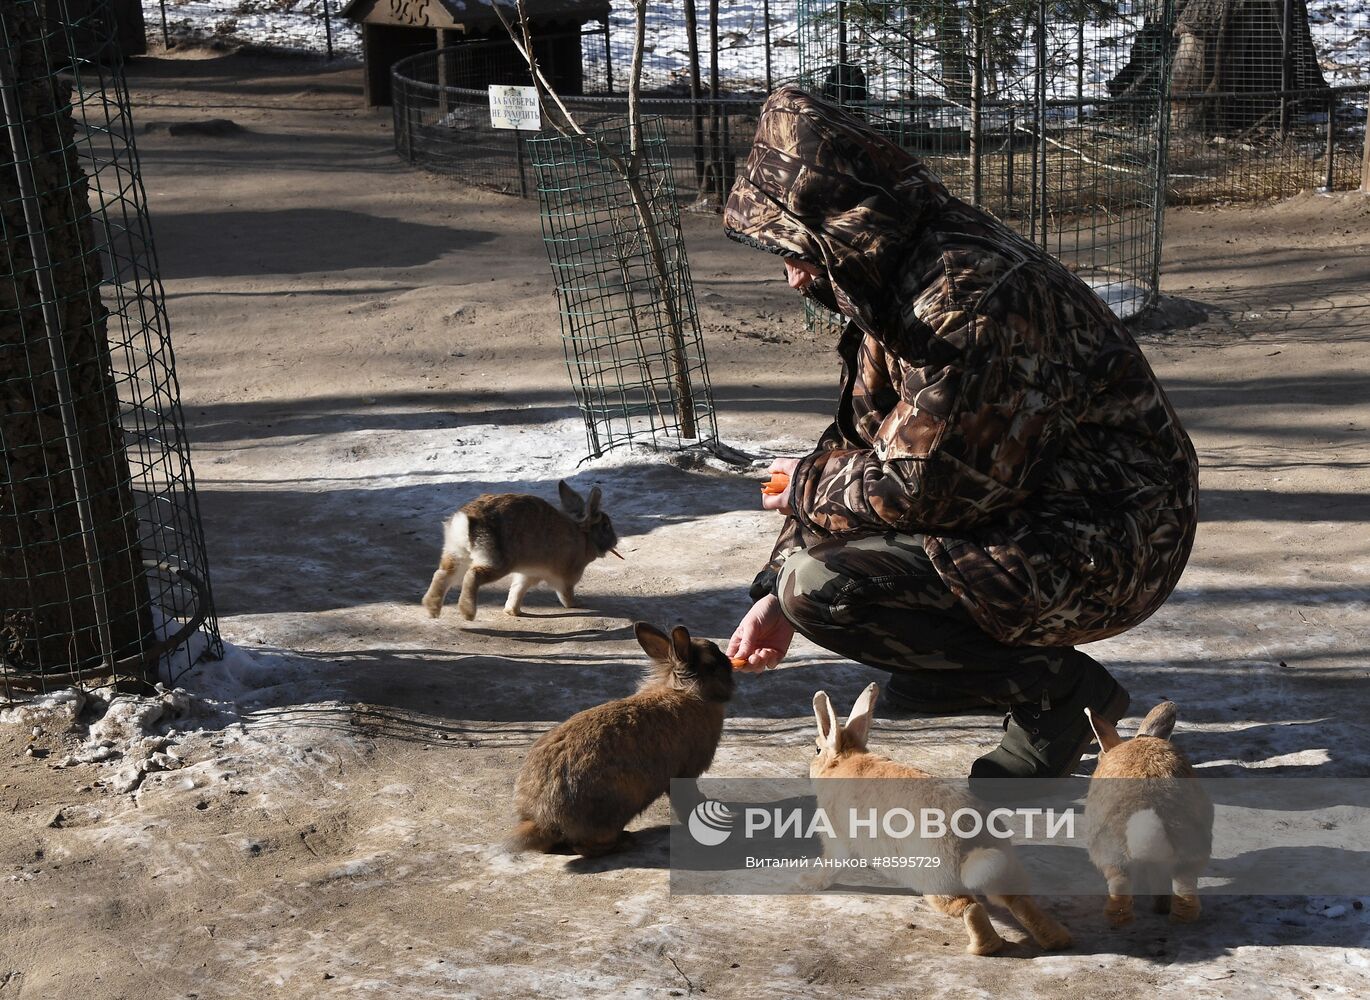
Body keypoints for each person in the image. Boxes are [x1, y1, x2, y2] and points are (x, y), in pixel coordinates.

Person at [723, 86, 1198, 782]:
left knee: (827, 587)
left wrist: (805, 491)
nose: (794, 277)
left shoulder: (960, 299)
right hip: (1046, 510)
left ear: (842, 232)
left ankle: (1058, 697)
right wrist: (772, 587)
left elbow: (934, 484)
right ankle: (979, 672)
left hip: (1116, 539)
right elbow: (858, 438)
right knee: (806, 582)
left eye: (798, 252)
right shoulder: (893, 274)